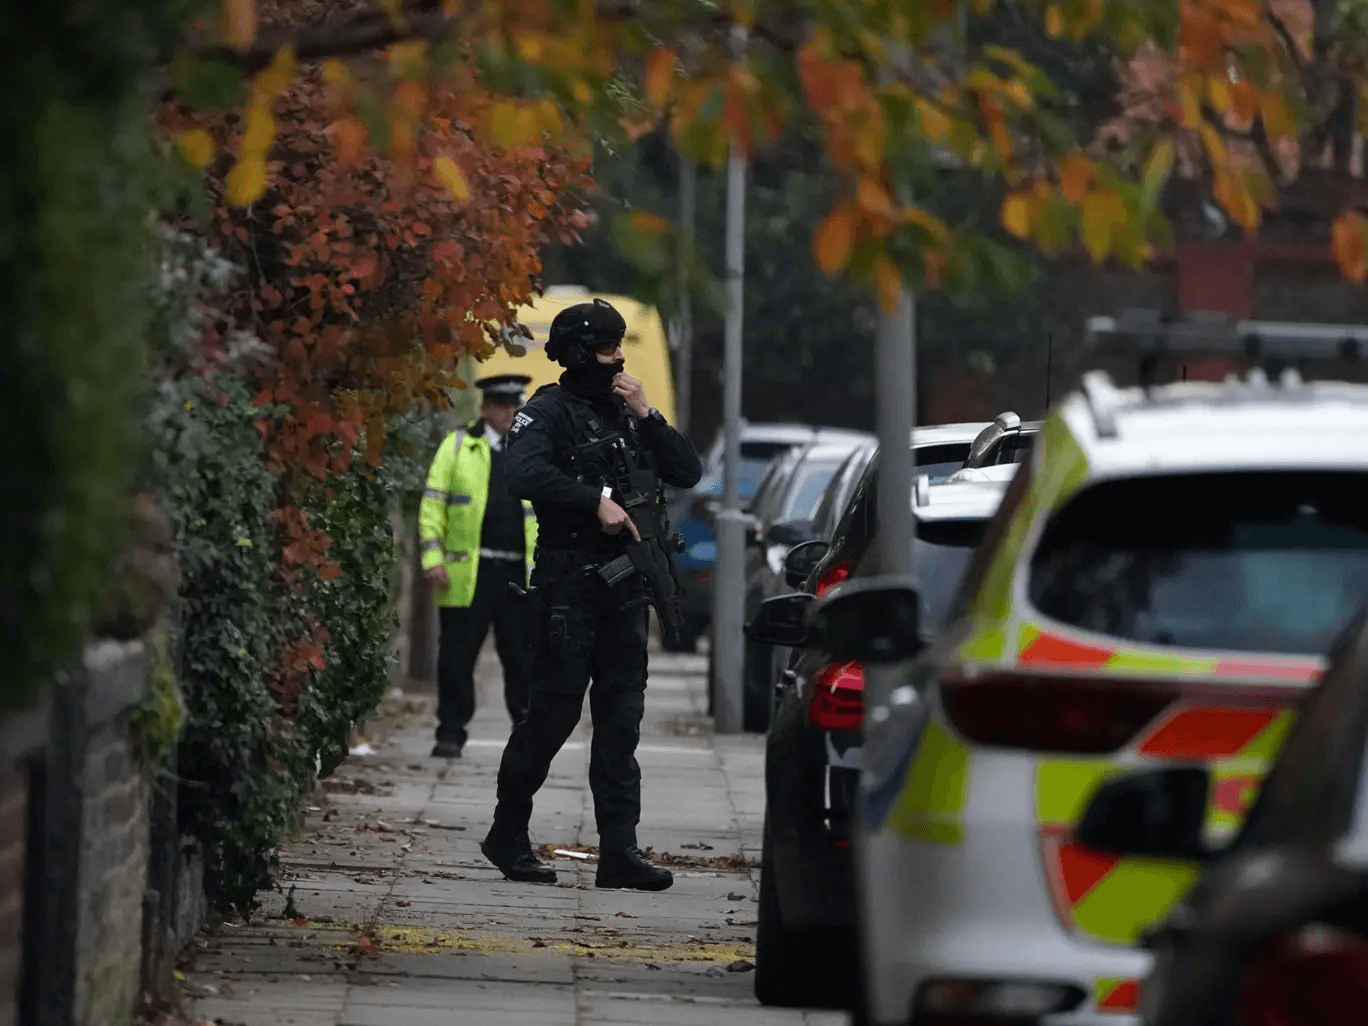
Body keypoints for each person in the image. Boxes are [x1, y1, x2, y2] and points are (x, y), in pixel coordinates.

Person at [480, 298, 702, 890]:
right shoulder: (546, 411)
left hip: (624, 591)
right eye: (607, 349)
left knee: (621, 720)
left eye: (620, 347)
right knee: (549, 717)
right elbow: (521, 475)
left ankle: (619, 851)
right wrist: (590, 501)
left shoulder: (628, 413)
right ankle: (507, 832)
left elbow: (687, 472)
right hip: (567, 588)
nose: (618, 358)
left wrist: (648, 414)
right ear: (579, 353)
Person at [418, 374, 538, 759]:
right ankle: (450, 731)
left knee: (522, 658)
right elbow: (433, 505)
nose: (509, 413)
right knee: (456, 657)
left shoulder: (533, 450)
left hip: (520, 576)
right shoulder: (457, 447)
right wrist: (432, 559)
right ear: (485, 408)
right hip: (468, 572)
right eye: (502, 405)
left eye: (515, 405)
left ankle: (527, 732)